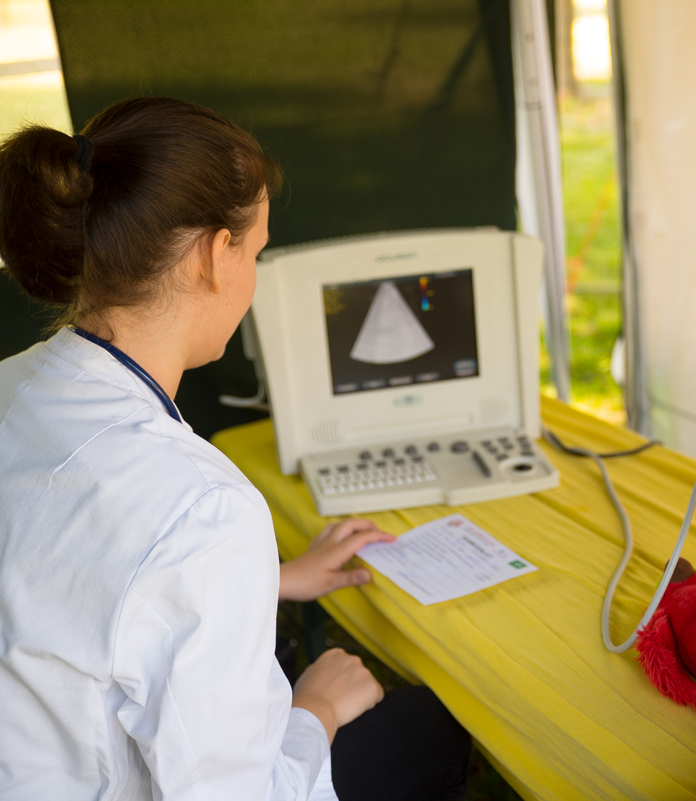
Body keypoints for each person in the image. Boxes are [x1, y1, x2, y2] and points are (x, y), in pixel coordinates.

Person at [0, 97, 470, 800]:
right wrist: (316, 707)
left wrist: (265, 581)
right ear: (215, 256)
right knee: (429, 728)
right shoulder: (203, 509)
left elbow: (59, 586)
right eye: (256, 249)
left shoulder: (12, 384)